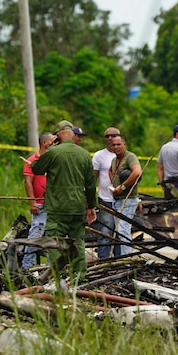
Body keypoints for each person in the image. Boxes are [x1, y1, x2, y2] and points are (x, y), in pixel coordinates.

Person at [30, 120, 97, 285]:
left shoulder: (53, 152)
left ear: (58, 135)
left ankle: (56, 277)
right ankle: (79, 277)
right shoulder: (84, 154)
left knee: (55, 242)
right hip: (77, 207)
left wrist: (49, 147)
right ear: (72, 135)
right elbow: (90, 184)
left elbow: (36, 168)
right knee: (78, 242)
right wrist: (91, 206)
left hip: (57, 207)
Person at [22, 132, 55, 270]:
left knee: (53, 237)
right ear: (45, 143)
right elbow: (28, 182)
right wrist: (32, 202)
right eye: (53, 140)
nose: (55, 143)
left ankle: (48, 269)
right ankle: (27, 267)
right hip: (40, 204)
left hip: (53, 205)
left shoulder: (54, 161)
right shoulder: (33, 160)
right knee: (36, 234)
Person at [108, 133, 142, 256]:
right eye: (113, 145)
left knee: (123, 229)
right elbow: (111, 172)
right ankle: (122, 256)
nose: (116, 147)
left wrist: (122, 187)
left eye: (118, 144)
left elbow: (137, 172)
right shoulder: (114, 160)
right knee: (119, 230)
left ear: (124, 144)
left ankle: (127, 259)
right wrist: (114, 186)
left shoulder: (130, 157)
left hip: (127, 199)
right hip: (117, 199)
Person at [92, 127, 120, 259]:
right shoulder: (99, 156)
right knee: (105, 230)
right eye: (107, 136)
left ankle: (119, 259)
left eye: (113, 135)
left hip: (121, 200)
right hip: (105, 200)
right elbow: (93, 178)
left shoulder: (126, 156)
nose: (109, 138)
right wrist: (90, 199)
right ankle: (103, 260)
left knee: (120, 232)